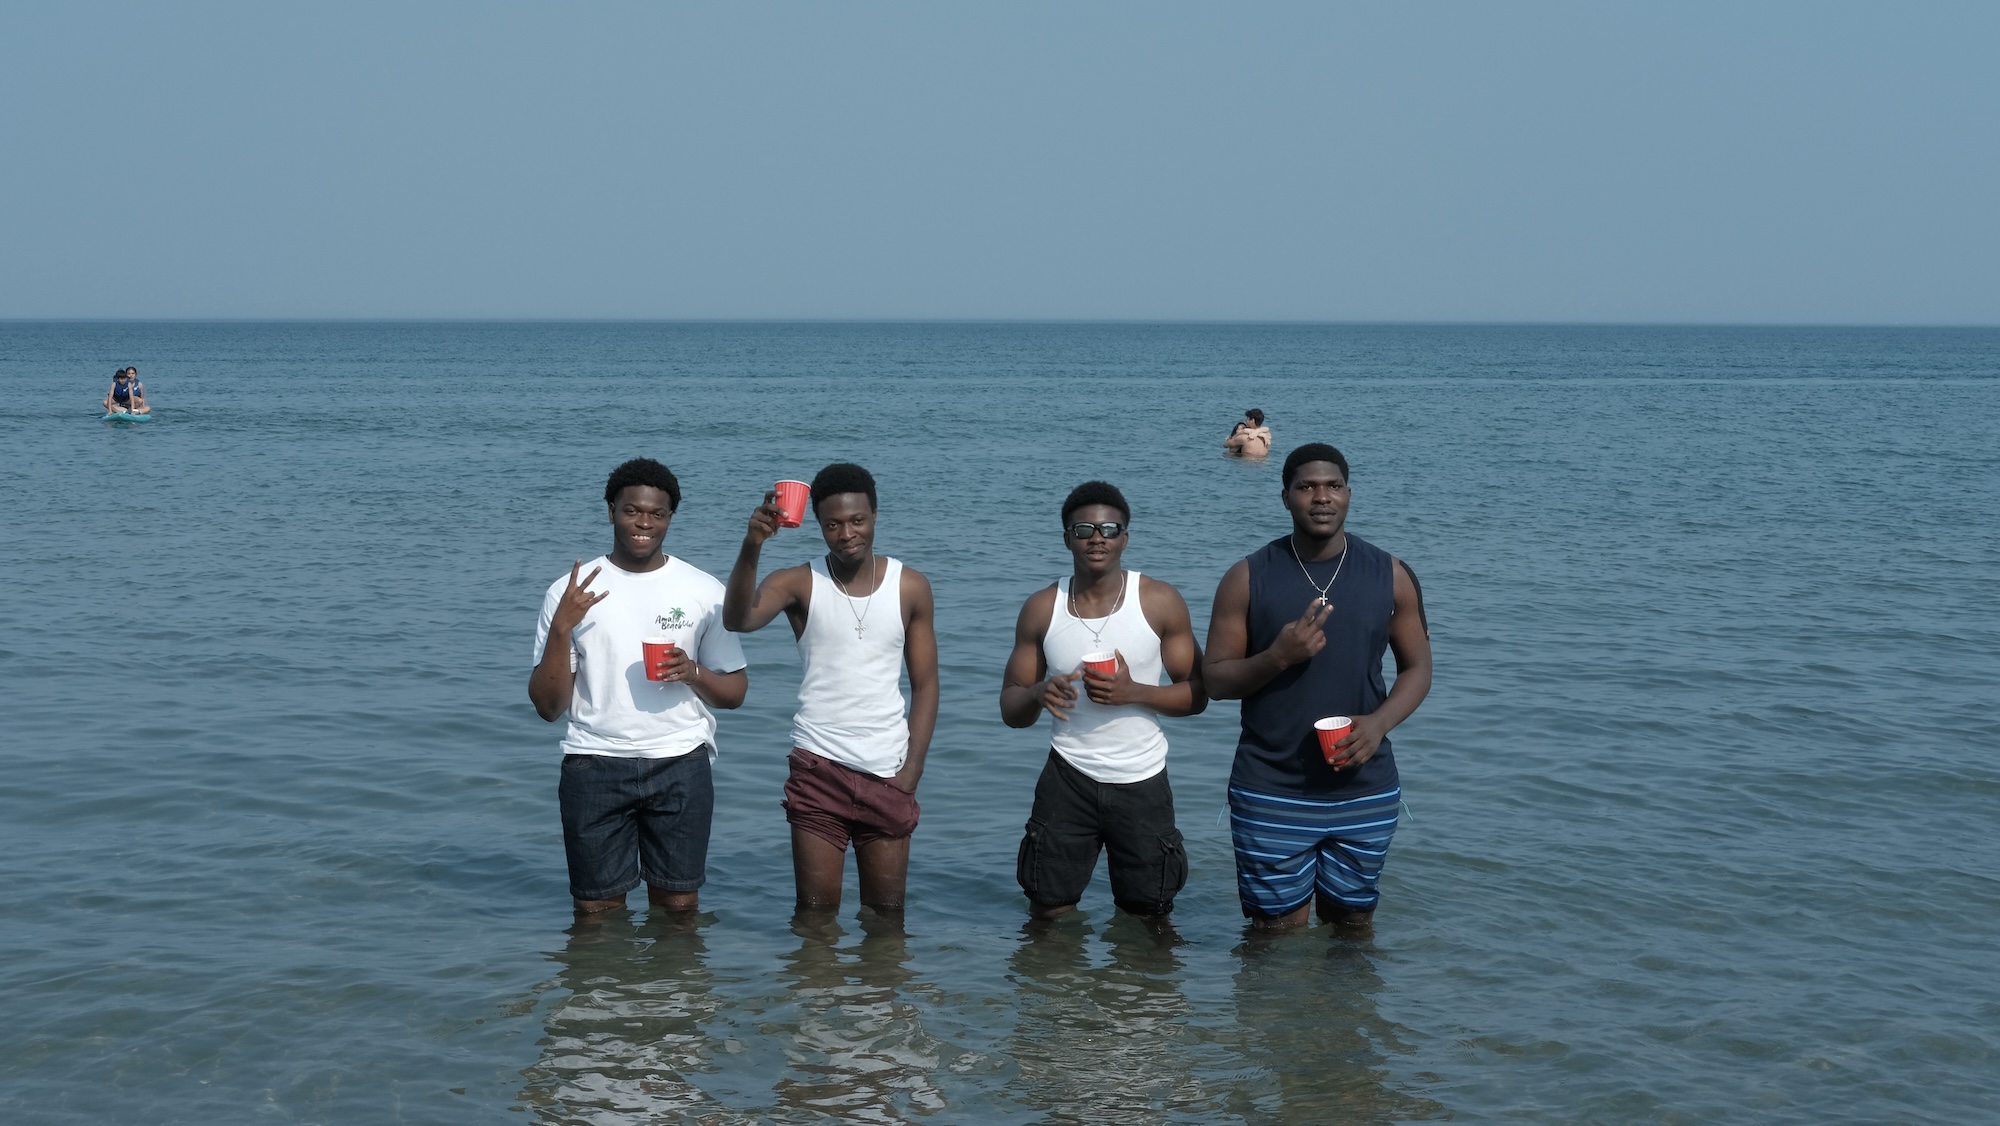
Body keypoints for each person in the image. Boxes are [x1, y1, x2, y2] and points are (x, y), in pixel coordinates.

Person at [1202, 442, 1432, 932]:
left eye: (1334, 486)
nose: (1321, 497)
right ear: (1285, 497)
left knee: (1353, 928)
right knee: (1273, 935)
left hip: (1365, 788)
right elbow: (1215, 680)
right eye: (1306, 487)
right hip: (1270, 787)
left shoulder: (1391, 575)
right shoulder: (1246, 577)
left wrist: (1379, 724)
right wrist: (1277, 657)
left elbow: (1418, 669)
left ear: (1349, 494)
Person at [529, 458, 748, 917]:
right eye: (632, 511)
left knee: (679, 911)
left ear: (670, 518)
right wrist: (562, 628)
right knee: (596, 914)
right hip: (594, 763)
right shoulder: (568, 592)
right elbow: (548, 707)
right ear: (611, 511)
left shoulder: (704, 590)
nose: (644, 523)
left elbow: (735, 693)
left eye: (657, 514)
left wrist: (693, 673)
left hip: (681, 763)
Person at [722, 462, 939, 916]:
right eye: (832, 524)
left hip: (888, 769)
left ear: (875, 515)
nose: (846, 534)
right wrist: (752, 544)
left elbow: (926, 684)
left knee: (887, 917)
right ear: (818, 525)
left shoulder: (910, 587)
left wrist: (912, 770)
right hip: (818, 766)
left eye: (857, 520)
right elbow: (738, 619)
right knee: (815, 917)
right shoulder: (798, 583)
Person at [999, 481, 1206, 920]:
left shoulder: (1159, 601)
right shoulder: (1042, 608)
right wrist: (1037, 693)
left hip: (1142, 779)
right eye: (1084, 529)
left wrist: (1135, 693)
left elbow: (1198, 694)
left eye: (1110, 529)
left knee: (1149, 917)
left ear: (1125, 538)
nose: (1097, 538)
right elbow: (1011, 710)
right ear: (1067, 538)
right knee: (1048, 911)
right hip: (1067, 776)